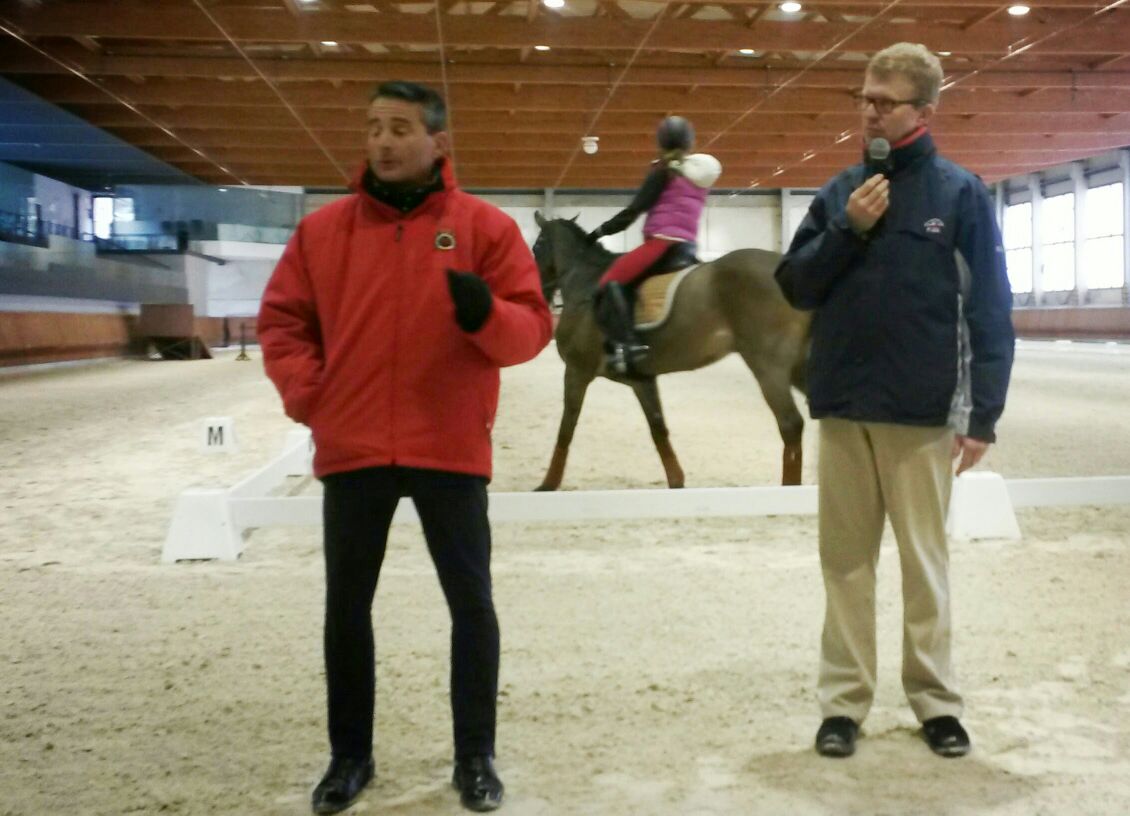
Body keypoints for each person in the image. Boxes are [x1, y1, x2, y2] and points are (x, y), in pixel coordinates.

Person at [258, 80, 553, 814]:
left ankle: (475, 757)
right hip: (353, 447)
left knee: (471, 605)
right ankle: (348, 757)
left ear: (438, 143)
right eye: (373, 128)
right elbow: (283, 324)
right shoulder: (321, 233)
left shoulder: (485, 228)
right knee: (346, 608)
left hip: (448, 446)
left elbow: (531, 328)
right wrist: (313, 398)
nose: (383, 141)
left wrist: (488, 316)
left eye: (398, 127)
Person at [774, 43, 1015, 760]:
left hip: (922, 411)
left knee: (924, 565)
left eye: (886, 100)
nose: (871, 109)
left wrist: (983, 417)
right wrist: (847, 229)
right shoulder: (839, 191)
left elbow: (990, 312)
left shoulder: (961, 195)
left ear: (924, 111)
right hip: (844, 406)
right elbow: (795, 286)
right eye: (866, 97)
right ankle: (843, 704)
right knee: (845, 563)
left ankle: (935, 702)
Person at [588, 115, 721, 377]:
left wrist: (600, 231)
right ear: (689, 143)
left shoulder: (663, 172)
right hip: (688, 247)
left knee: (609, 282)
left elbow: (636, 209)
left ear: (661, 142)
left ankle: (629, 345)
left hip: (661, 244)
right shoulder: (696, 177)